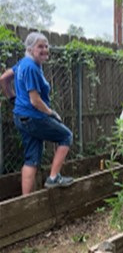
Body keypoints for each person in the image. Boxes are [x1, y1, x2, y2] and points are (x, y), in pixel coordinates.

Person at [0, 32, 73, 195]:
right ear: (30, 48)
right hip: (34, 117)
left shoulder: (23, 63)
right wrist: (52, 113)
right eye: (40, 46)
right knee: (66, 136)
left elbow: (3, 79)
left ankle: (26, 201)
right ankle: (54, 177)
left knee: (31, 159)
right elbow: (35, 100)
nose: (45, 49)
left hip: (21, 117)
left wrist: (12, 98)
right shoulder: (31, 67)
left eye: (46, 46)